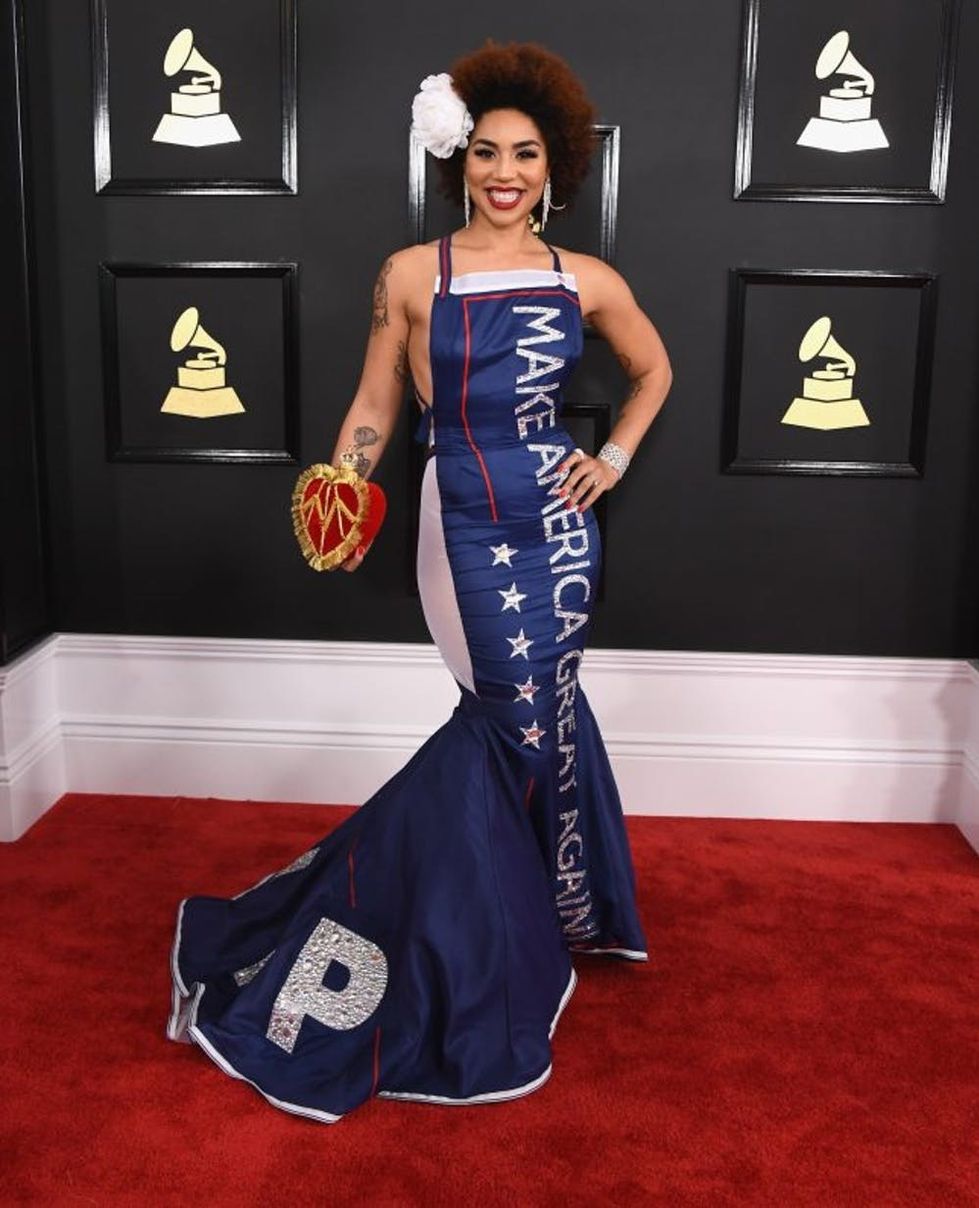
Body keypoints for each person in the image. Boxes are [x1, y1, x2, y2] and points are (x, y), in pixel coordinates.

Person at [167, 40, 672, 1125]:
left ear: (554, 167)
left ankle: (541, 909)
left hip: (557, 519)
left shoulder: (584, 280)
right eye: (485, 150)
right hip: (460, 516)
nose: (503, 170)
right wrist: (343, 482)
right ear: (459, 160)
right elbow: (372, 407)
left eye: (525, 154)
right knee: (503, 717)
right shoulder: (410, 274)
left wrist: (613, 456)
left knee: (545, 712)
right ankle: (444, 934)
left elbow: (653, 368)